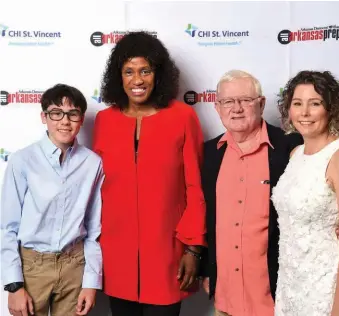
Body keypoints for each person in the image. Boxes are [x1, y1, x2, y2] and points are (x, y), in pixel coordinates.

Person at [93, 31, 206, 316]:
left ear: (159, 74)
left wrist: (193, 248)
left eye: (145, 70)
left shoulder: (182, 117)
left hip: (168, 253)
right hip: (116, 255)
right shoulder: (105, 121)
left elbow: (195, 186)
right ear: (118, 76)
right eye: (129, 71)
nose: (138, 80)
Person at [200, 70, 303, 316]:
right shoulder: (208, 154)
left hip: (277, 298)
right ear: (217, 107)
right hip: (225, 299)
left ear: (261, 103)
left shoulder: (290, 147)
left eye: (245, 100)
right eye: (228, 102)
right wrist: (207, 269)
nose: (236, 108)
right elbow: (206, 216)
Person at [0, 84, 104, 316]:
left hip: (74, 266)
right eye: (56, 113)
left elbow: (94, 228)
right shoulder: (22, 160)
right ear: (44, 117)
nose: (64, 121)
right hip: (32, 268)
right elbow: (7, 227)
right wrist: (14, 285)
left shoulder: (92, 163)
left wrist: (91, 282)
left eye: (72, 114)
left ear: (81, 119)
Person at [272, 70, 339, 315]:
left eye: (315, 103)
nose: (305, 113)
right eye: (297, 103)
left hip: (327, 288)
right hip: (291, 285)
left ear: (331, 108)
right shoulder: (295, 154)